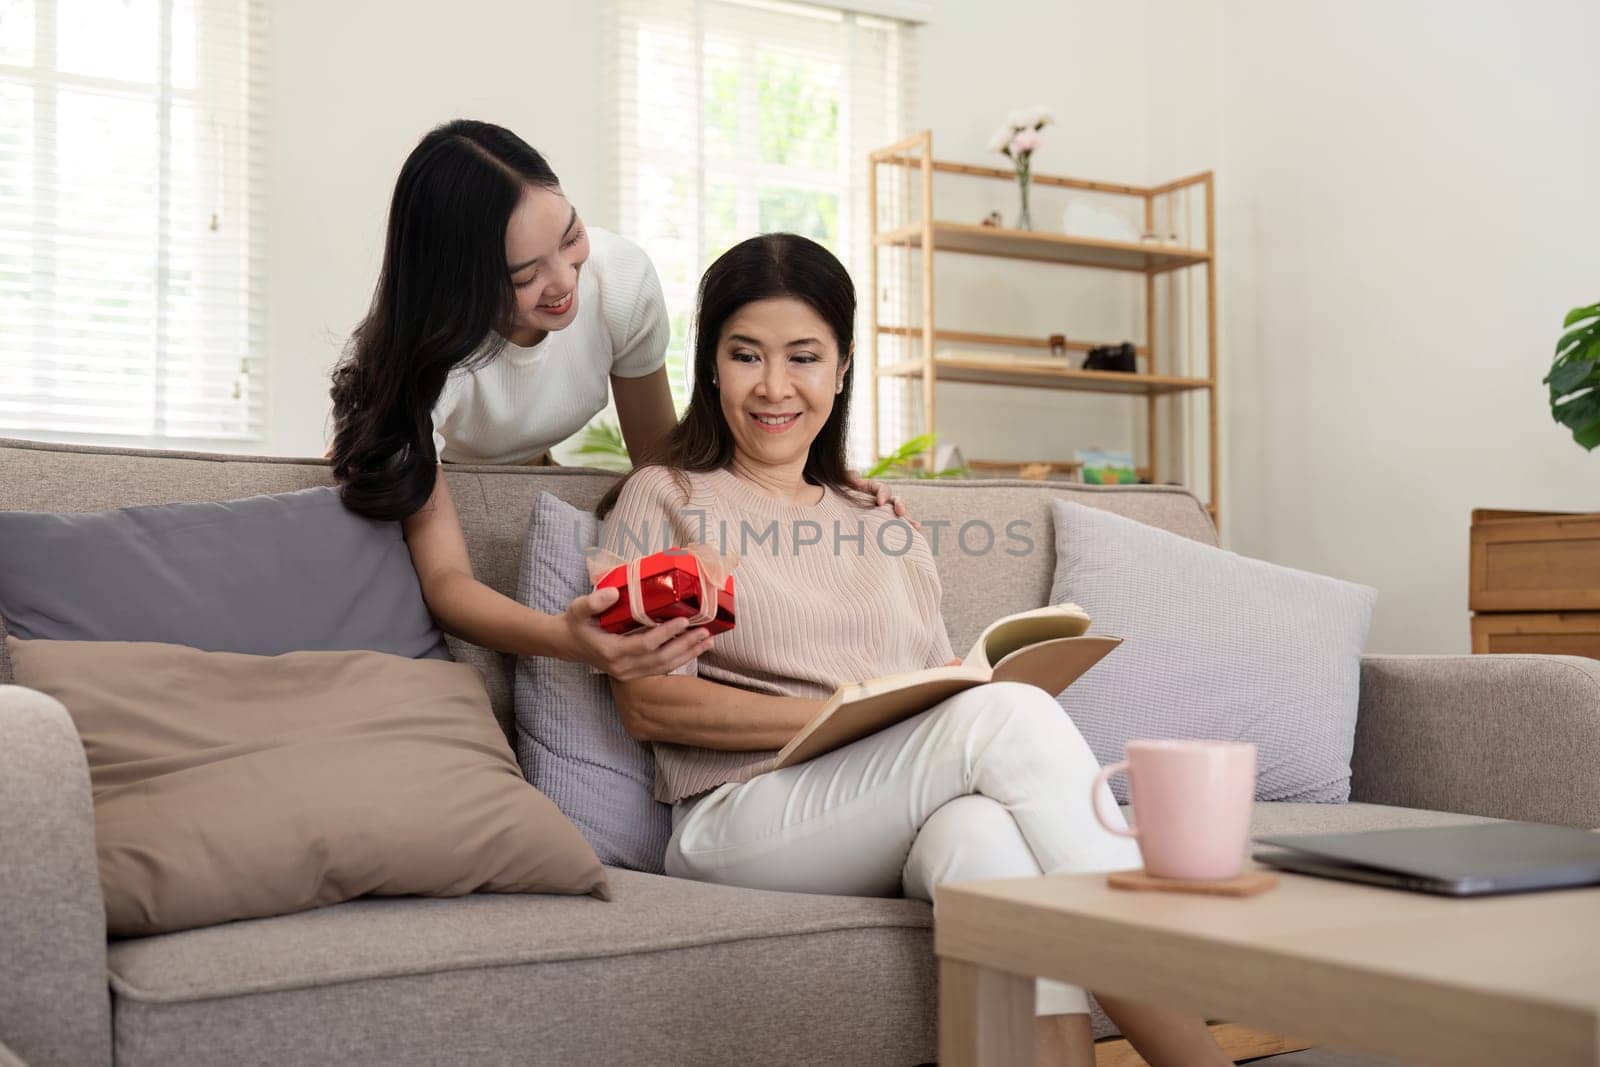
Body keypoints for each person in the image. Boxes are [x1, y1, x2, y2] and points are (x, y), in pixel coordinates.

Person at [595, 234, 1230, 1067]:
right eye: (745, 354)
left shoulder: (881, 522)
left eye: (804, 357)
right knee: (1007, 716)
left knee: (985, 843)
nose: (774, 386)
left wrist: (929, 699)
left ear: (843, 368)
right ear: (710, 366)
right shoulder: (664, 497)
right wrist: (839, 713)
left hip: (876, 808)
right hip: (736, 818)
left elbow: (941, 688)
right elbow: (649, 702)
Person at [329, 120, 905, 679]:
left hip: (536, 469)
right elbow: (447, 583)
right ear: (459, 282)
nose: (564, 281)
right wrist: (567, 641)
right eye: (526, 274)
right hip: (426, 493)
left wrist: (822, 484)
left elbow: (663, 459)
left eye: (570, 236)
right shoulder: (420, 371)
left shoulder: (619, 281)